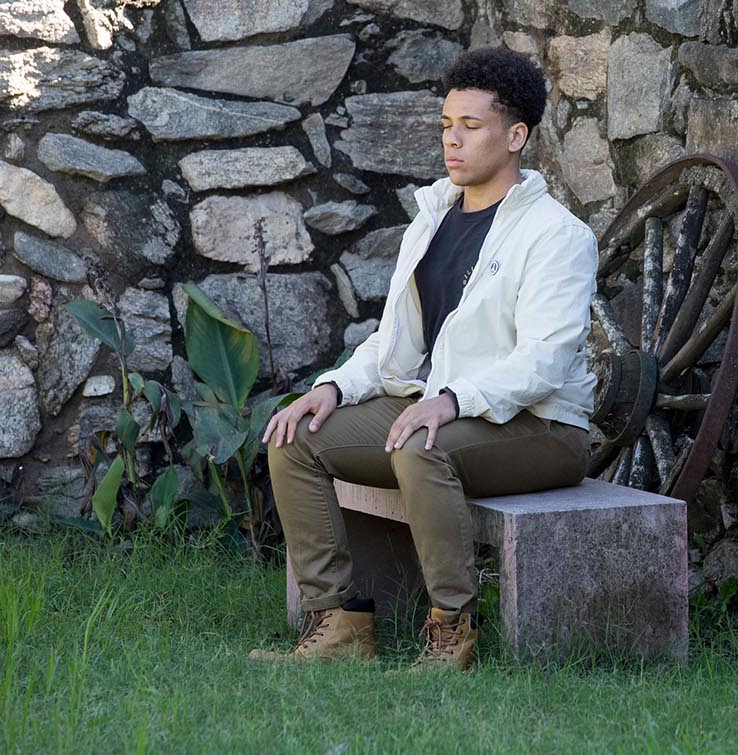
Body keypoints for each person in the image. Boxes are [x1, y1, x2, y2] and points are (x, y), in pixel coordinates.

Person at [249, 47, 598, 672]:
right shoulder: (434, 215)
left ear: (516, 136)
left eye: (471, 126)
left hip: (543, 428)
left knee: (420, 446)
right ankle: (341, 625)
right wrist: (333, 387)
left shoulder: (556, 235)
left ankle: (452, 632)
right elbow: (393, 341)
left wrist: (453, 399)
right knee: (294, 435)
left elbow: (546, 360)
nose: (452, 141)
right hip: (446, 407)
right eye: (446, 125)